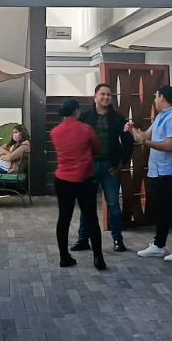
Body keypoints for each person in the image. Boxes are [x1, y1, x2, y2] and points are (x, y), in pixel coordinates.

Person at [126, 86, 172, 262]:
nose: (154, 100)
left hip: (166, 170)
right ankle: (159, 245)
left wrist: (146, 143)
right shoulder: (161, 117)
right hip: (155, 170)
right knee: (162, 209)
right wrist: (132, 129)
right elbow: (145, 136)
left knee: (169, 209)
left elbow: (169, 145)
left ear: (162, 97)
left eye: (156, 97)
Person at [71, 84, 134, 253]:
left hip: (109, 167)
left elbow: (128, 142)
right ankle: (83, 239)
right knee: (86, 205)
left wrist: (121, 162)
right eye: (102, 94)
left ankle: (118, 240)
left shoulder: (118, 119)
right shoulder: (84, 116)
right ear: (95, 96)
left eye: (109, 95)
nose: (106, 97)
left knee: (113, 204)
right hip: (88, 166)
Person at [51, 98, 105, 270]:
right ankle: (98, 258)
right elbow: (97, 149)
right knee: (91, 218)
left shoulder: (55, 131)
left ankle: (64, 257)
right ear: (76, 111)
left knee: (64, 218)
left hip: (62, 179)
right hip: (84, 179)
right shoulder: (86, 129)